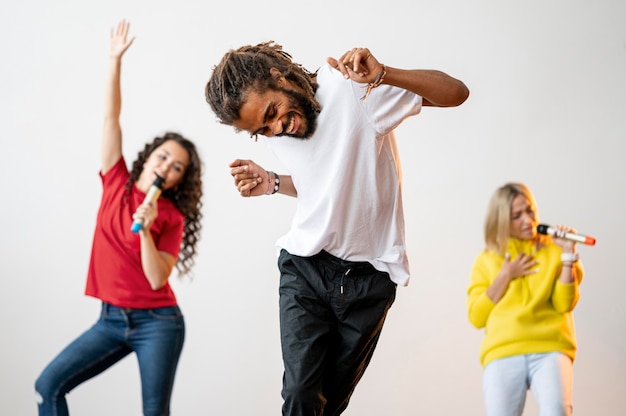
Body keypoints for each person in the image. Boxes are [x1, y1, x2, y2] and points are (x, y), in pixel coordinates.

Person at [205, 43, 469, 415]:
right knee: (300, 395)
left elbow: (456, 93)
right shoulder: (279, 133)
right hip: (306, 269)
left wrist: (382, 75)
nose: (277, 128)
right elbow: (322, 185)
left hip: (369, 280)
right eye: (262, 130)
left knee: (329, 405)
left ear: (277, 77)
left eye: (273, 112)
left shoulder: (350, 90)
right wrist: (273, 182)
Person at [35, 20, 203, 416]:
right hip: (110, 319)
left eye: (177, 166)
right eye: (164, 155)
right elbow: (112, 119)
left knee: (153, 413)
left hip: (158, 323)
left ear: (180, 180)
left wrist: (145, 230)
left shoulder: (170, 216)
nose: (167, 165)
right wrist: (114, 62)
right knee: (48, 386)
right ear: (149, 156)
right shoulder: (116, 182)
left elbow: (158, 277)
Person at [466, 183, 584, 416]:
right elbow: (476, 317)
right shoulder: (487, 259)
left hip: (550, 346)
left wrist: (568, 255)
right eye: (516, 216)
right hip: (503, 350)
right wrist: (506, 275)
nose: (528, 220)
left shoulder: (555, 250)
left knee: (557, 411)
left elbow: (564, 304)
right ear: (501, 221)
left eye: (530, 211)